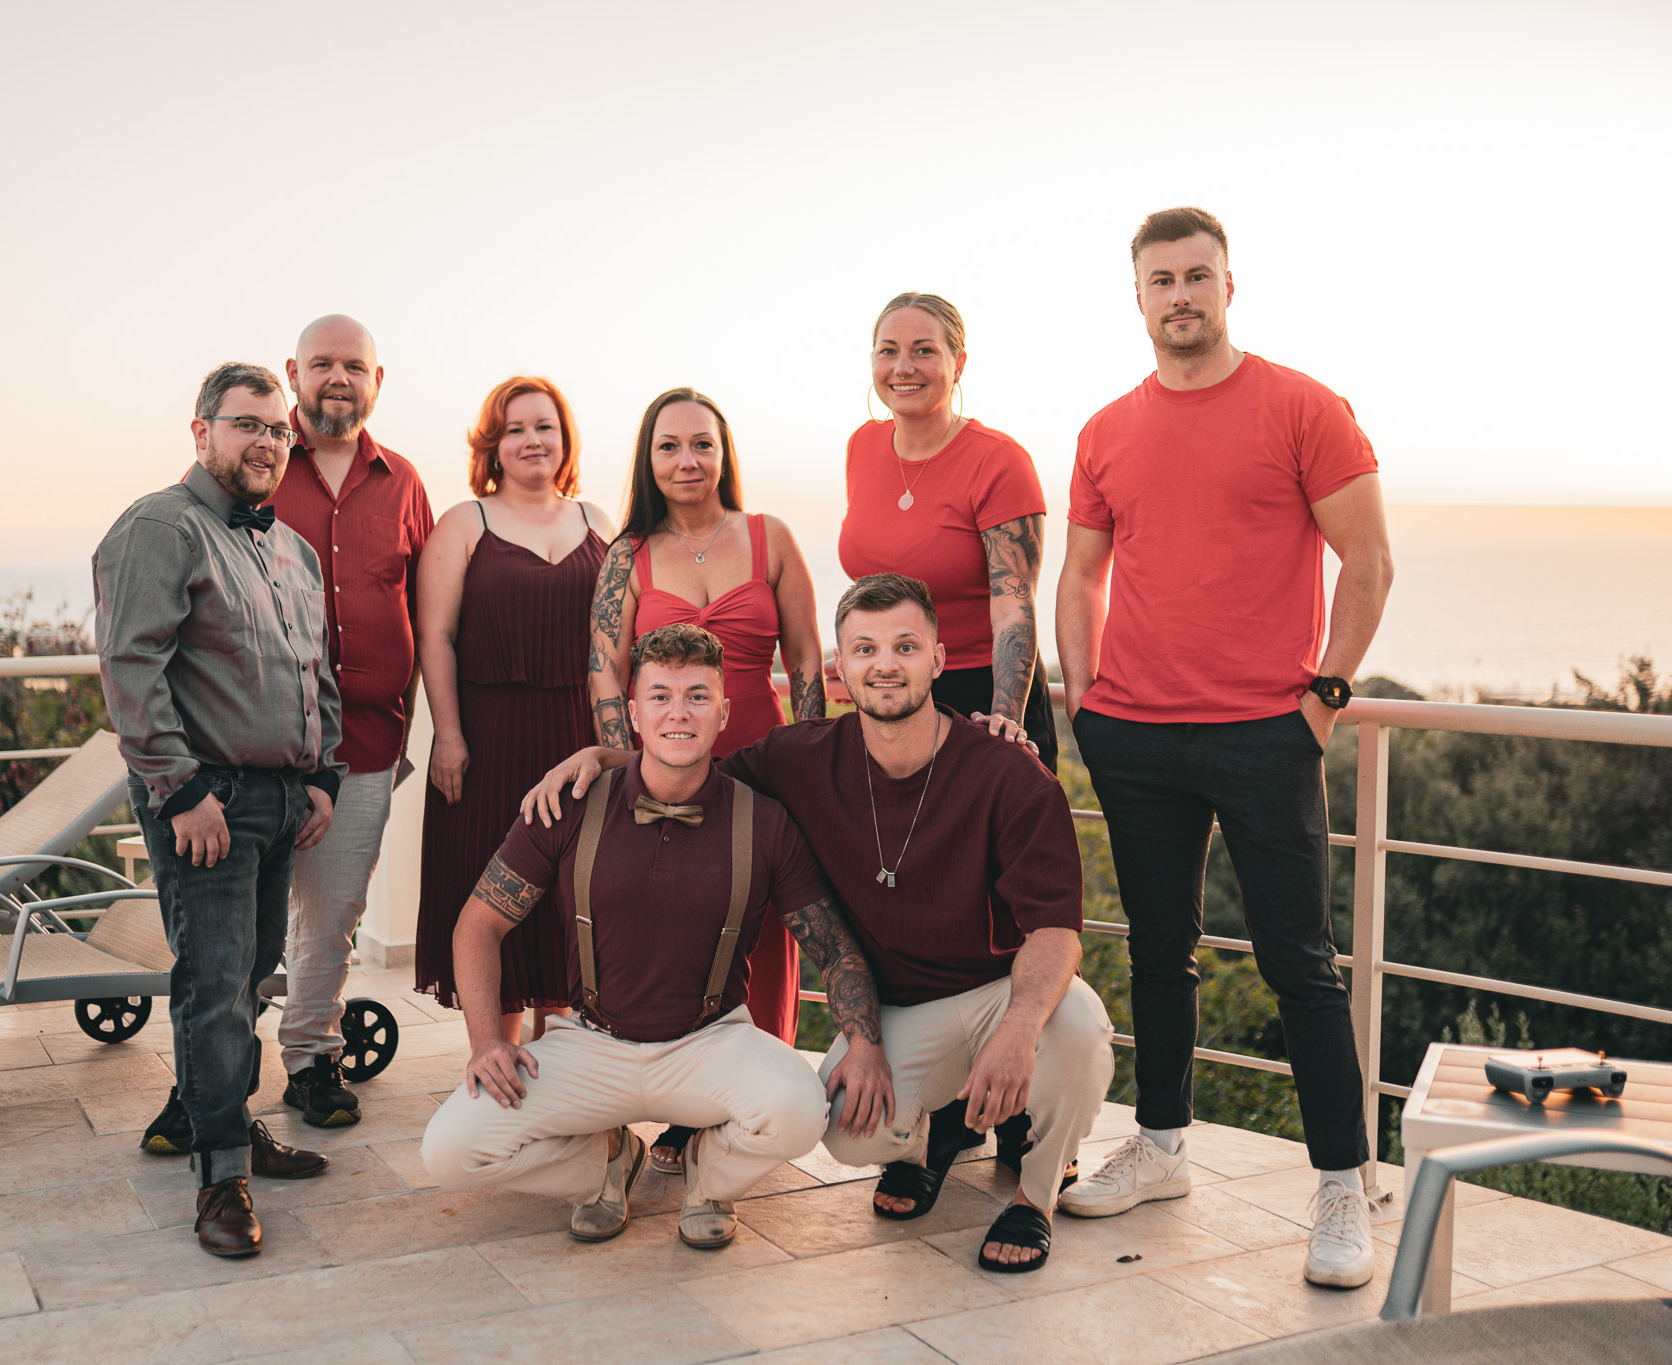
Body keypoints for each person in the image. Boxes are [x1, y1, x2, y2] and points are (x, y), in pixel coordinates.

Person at [529, 575, 1115, 1273]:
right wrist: (602, 759)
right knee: (844, 1127)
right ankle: (922, 1144)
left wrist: (1018, 1029)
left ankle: (1034, 1196)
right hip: (899, 1009)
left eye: (905, 646)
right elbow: (692, 776)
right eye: (865, 649)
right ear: (840, 668)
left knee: (1077, 1026)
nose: (885, 664)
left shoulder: (1007, 771)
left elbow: (1056, 930)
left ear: (938, 659)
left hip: (996, 991)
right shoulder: (799, 757)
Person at [1054, 206, 1394, 1289]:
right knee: (1158, 952)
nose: (1180, 296)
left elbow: (1369, 560)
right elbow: (1080, 573)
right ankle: (1159, 1147)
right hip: (1135, 735)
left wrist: (1322, 700)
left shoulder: (1302, 407)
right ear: (1138, 296)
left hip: (1264, 734)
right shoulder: (1106, 428)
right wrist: (1085, 703)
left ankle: (1340, 1184)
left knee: (1299, 963)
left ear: (1228, 286)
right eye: (1161, 281)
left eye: (1196, 276)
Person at [421, 624, 891, 1251]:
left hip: (710, 1041)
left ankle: (709, 1175)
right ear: (634, 713)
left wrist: (864, 1042)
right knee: (449, 1152)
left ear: (724, 712)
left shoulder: (764, 821)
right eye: (661, 696)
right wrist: (485, 1042)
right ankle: (603, 1165)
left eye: (698, 696)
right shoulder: (570, 803)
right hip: (591, 1041)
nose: (679, 713)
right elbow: (479, 923)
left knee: (801, 1110)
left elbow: (832, 947)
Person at [94, 360, 340, 1258]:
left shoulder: (292, 550)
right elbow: (131, 669)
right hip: (207, 801)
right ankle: (221, 1176)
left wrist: (324, 776)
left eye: (278, 430)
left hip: (280, 798)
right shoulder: (159, 527)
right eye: (248, 424)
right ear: (201, 432)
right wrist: (183, 791)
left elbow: (318, 671)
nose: (267, 442)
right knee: (214, 983)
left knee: (254, 972)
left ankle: (219, 1117)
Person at [585, 386, 825, 1171]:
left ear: (724, 453)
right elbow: (604, 673)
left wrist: (812, 765)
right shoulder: (626, 556)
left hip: (765, 762)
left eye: (702, 443)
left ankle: (756, 1096)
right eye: (669, 445)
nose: (686, 460)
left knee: (764, 925)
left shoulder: (770, 537)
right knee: (681, 930)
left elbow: (807, 660)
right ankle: (688, 1106)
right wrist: (628, 776)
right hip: (667, 766)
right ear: (648, 459)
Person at [412, 376, 616, 1043]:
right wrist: (447, 735)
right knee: (493, 892)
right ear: (493, 446)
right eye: (515, 429)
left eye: (544, 426)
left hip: (579, 740)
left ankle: (558, 1059)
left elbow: (621, 641)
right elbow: (435, 635)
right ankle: (493, 1058)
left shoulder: (599, 522)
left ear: (565, 439)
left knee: (571, 896)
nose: (532, 440)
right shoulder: (463, 522)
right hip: (488, 740)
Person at [268, 314, 435, 1127]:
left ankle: (310, 1057)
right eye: (323, 363)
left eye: (354, 366)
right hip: (262, 742)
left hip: (367, 743)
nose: (339, 378)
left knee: (333, 911)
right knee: (249, 918)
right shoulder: (259, 462)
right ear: (292, 373)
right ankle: (213, 1070)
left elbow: (431, 611)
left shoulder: (404, 482)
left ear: (377, 380)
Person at [838, 293, 1058, 774]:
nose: (903, 367)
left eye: (923, 350)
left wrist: (1004, 717)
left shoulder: (999, 460)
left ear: (958, 363)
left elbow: (1014, 607)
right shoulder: (861, 446)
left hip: (980, 695)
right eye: (888, 351)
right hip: (889, 692)